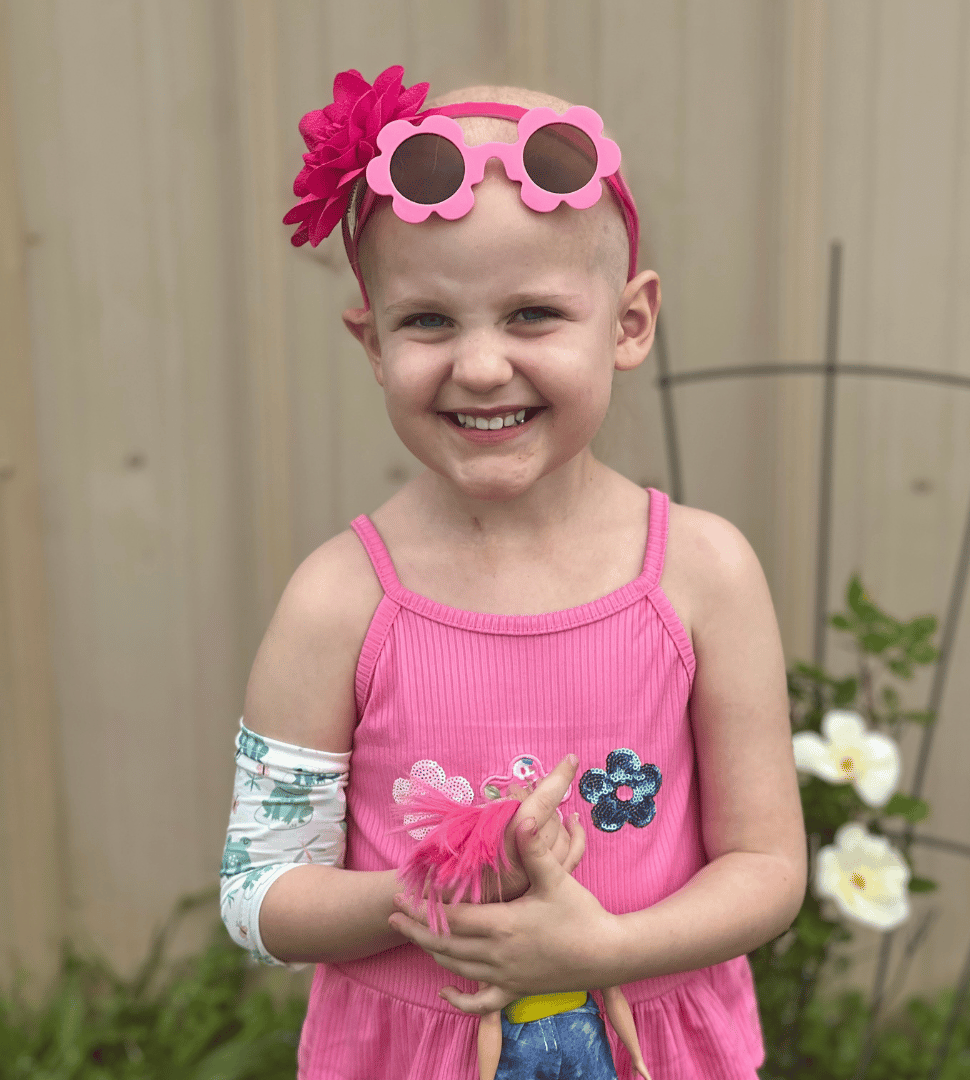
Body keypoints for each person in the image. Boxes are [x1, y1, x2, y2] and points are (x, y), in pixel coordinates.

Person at [219, 63, 806, 1080]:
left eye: (532, 314)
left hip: (651, 1047)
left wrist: (604, 950)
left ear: (629, 323)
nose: (481, 365)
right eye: (429, 321)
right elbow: (258, 891)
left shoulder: (703, 573)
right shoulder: (338, 601)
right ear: (372, 342)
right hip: (413, 1053)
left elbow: (767, 868)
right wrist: (425, 893)